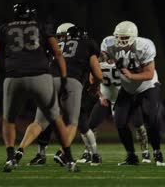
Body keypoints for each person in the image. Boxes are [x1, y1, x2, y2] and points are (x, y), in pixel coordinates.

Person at [0, 3, 79, 172]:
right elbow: (58, 53)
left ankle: (10, 158)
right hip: (40, 76)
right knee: (56, 118)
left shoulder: (4, 29)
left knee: (9, 119)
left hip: (14, 77)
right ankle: (70, 160)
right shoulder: (42, 26)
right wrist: (63, 78)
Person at [15, 25, 103, 166]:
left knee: (39, 122)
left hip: (49, 81)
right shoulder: (87, 44)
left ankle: (19, 151)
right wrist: (93, 87)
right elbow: (98, 75)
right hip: (72, 81)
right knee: (72, 123)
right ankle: (62, 153)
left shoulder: (58, 44)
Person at [101, 20, 165, 166]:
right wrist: (102, 58)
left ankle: (157, 152)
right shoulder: (108, 43)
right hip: (127, 88)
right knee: (119, 121)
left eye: (124, 38)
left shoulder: (144, 46)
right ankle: (131, 156)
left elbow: (149, 74)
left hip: (147, 86)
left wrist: (130, 76)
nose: (120, 41)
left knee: (151, 119)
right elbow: (104, 56)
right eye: (118, 37)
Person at [77, 55, 151, 164]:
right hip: (106, 98)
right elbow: (92, 79)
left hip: (124, 99)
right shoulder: (98, 63)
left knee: (138, 124)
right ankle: (89, 153)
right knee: (90, 125)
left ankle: (145, 152)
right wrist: (100, 96)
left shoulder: (125, 62)